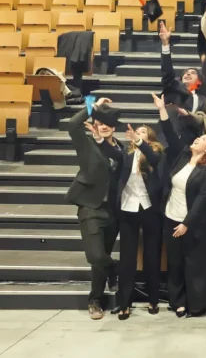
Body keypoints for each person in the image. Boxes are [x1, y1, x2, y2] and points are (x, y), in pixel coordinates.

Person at [154, 92, 206, 317]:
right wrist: (163, 110)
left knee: (195, 266)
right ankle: (177, 301)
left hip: (193, 223)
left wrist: (186, 224)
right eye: (199, 138)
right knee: (175, 264)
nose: (197, 139)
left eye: (203, 140)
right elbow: (171, 137)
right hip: (171, 216)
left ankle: (197, 304)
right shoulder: (182, 155)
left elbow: (202, 199)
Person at [66, 98, 122, 320]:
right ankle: (115, 267)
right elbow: (72, 124)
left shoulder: (121, 150)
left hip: (114, 212)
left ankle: (96, 301)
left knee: (101, 259)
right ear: (95, 124)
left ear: (114, 127)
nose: (104, 126)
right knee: (96, 256)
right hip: (90, 207)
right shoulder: (86, 143)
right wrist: (93, 105)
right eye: (99, 122)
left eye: (108, 123)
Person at [115, 123, 164, 319]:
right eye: (137, 131)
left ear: (149, 138)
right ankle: (124, 302)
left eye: (143, 132)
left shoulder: (154, 153)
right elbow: (112, 153)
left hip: (149, 207)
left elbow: (153, 158)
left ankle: (153, 298)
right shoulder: (126, 154)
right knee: (127, 258)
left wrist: (139, 142)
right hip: (128, 206)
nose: (138, 133)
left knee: (152, 255)